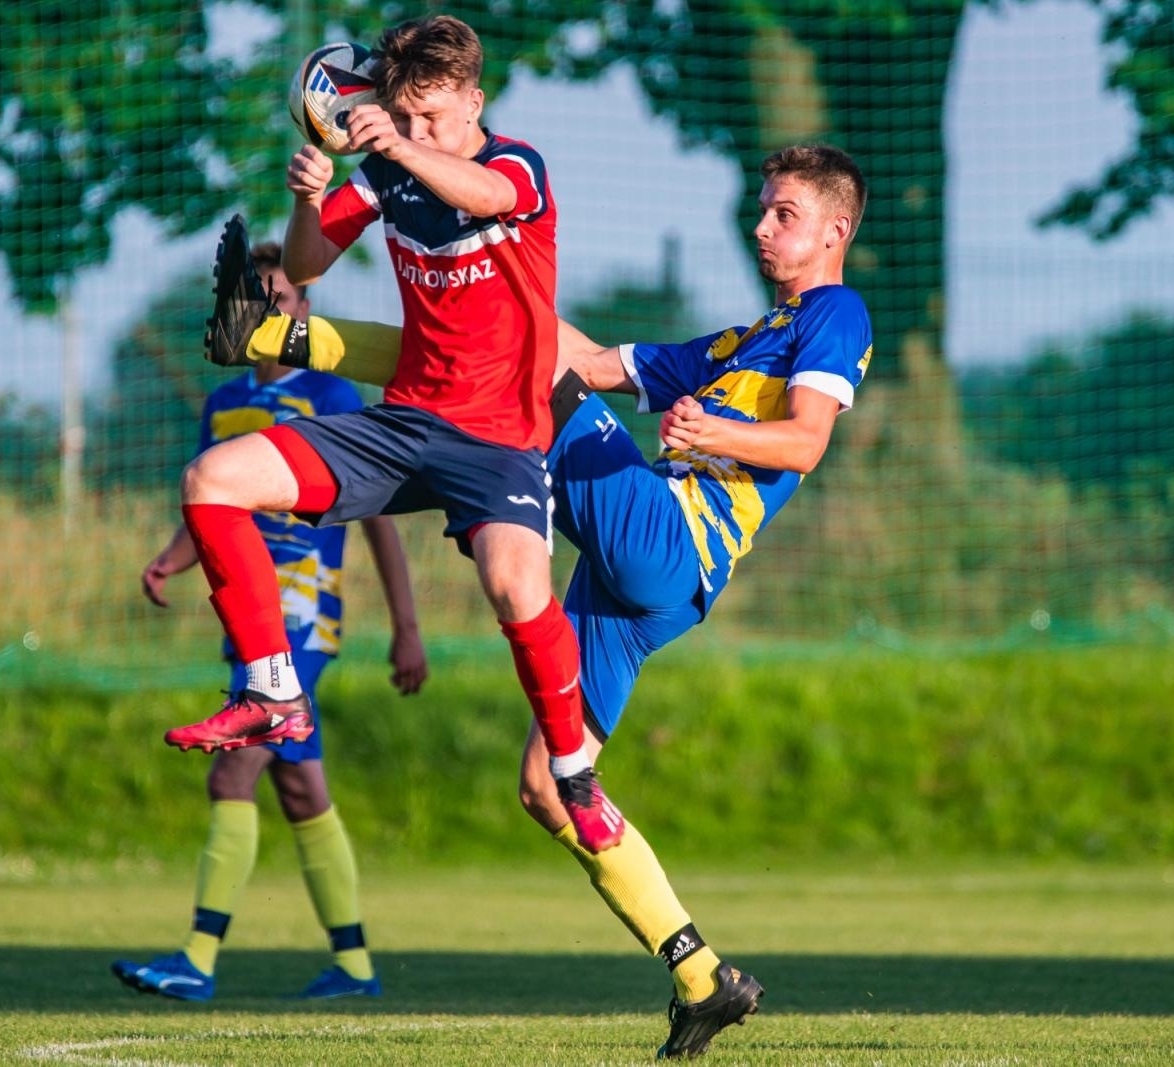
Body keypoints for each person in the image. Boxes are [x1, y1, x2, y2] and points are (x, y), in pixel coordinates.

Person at [214, 144, 873, 1059]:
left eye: (784, 214)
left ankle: (276, 338)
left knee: (500, 366)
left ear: (835, 230)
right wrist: (501, 286)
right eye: (761, 208)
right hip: (646, 582)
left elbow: (804, 443)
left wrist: (710, 430)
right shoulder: (746, 336)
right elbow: (588, 359)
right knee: (548, 786)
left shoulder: (836, 311)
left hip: (668, 538)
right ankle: (701, 974)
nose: (761, 226)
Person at [170, 14, 624, 854]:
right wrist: (309, 198)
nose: (418, 132)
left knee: (516, 586)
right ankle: (274, 691)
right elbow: (304, 265)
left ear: (474, 102)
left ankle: (574, 772)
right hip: (404, 422)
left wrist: (397, 148)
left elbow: (482, 195)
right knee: (212, 480)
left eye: (435, 117)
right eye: (405, 116)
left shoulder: (515, 167)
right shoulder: (388, 172)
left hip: (498, 440)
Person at [112, 243, 428, 1003]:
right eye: (257, 302)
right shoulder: (224, 404)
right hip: (247, 611)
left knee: (233, 768)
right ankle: (355, 965)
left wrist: (406, 625)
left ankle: (196, 959)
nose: (270, 312)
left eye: (281, 300)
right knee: (299, 789)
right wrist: (170, 560)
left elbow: (378, 517)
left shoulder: (333, 394)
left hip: (303, 613)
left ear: (304, 310)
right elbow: (209, 501)